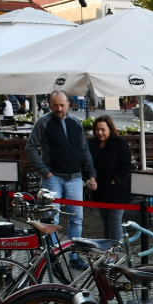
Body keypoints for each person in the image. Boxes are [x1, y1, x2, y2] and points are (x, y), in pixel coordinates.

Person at [25, 90, 97, 269]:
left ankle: (74, 256)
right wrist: (44, 171)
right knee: (51, 220)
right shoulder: (43, 122)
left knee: (76, 219)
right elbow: (30, 147)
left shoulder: (75, 122)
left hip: (74, 178)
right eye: (55, 104)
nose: (59, 108)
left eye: (62, 105)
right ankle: (54, 256)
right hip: (53, 177)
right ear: (50, 104)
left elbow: (84, 149)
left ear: (68, 104)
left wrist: (91, 173)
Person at [88, 115, 132, 241]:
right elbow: (86, 164)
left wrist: (114, 180)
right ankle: (109, 251)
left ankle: (115, 253)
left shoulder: (119, 143)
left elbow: (126, 165)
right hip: (100, 191)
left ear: (110, 129)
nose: (100, 132)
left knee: (114, 222)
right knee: (106, 222)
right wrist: (90, 180)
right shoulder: (92, 144)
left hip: (116, 191)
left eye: (103, 129)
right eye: (97, 129)